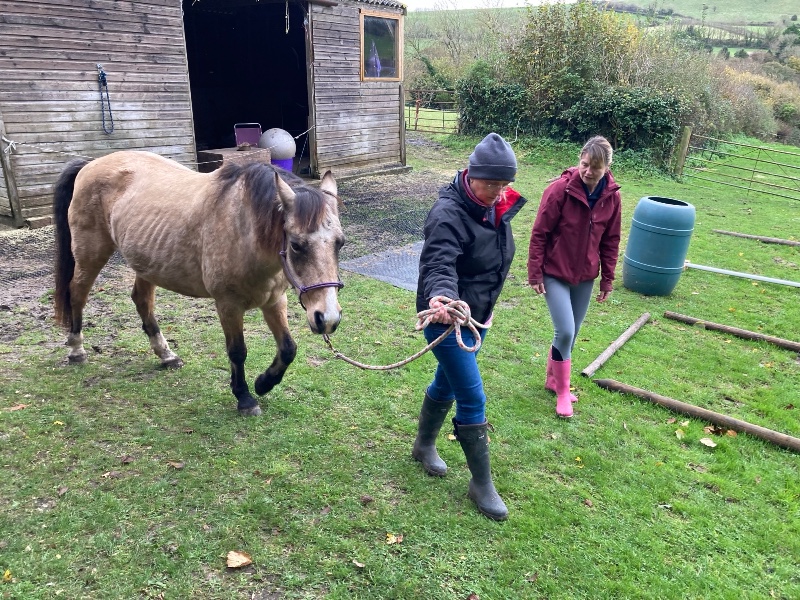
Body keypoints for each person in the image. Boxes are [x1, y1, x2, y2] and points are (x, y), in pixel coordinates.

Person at [412, 132, 527, 521]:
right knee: (473, 397)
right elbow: (439, 262)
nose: (497, 191)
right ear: (469, 175)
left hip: (479, 318)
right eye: (490, 183)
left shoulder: (496, 207)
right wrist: (442, 298)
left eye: (504, 184)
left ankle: (423, 445)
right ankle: (481, 484)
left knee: (447, 382)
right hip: (446, 319)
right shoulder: (448, 213)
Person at [527, 135, 622, 418]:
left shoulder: (612, 197)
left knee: (572, 333)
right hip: (555, 272)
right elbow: (539, 233)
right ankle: (562, 393)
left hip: (585, 276)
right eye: (584, 165)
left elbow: (611, 241)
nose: (588, 172)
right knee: (565, 330)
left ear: (607, 168)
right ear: (579, 161)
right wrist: (535, 273)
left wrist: (607, 280)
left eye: (595, 167)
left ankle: (552, 378)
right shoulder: (559, 191)